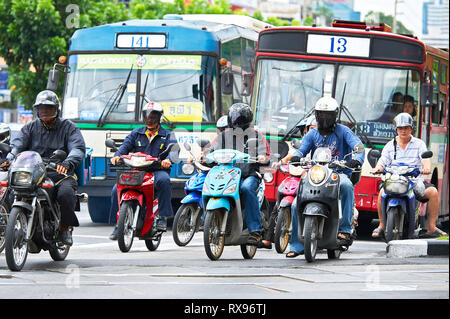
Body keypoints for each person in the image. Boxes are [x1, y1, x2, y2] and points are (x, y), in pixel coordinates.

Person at [1, 90, 86, 246]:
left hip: (59, 172)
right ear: (36, 110)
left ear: (56, 110)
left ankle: (65, 228)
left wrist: (67, 162)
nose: (45, 111)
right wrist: (10, 158)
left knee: (65, 194)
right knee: (12, 191)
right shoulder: (30, 127)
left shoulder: (69, 128)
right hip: (33, 171)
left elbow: (77, 148)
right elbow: (17, 145)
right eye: (41, 108)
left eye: (49, 108)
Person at [286, 96, 365, 257]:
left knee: (347, 186)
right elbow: (302, 149)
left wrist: (356, 160)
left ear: (335, 115)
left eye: (328, 115)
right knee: (295, 205)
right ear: (316, 115)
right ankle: (296, 245)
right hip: (315, 174)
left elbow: (358, 147)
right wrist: (296, 157)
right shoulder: (312, 133)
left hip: (338, 173)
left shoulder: (344, 131)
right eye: (321, 114)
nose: (324, 118)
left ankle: (344, 229)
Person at [203, 103, 271, 247]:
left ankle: (255, 231)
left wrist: (262, 158)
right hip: (227, 175)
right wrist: (202, 157)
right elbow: (210, 152)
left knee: (246, 188)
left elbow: (265, 154)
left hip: (249, 175)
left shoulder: (256, 136)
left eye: (239, 120)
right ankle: (210, 219)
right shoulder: (223, 136)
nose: (236, 123)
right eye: (234, 119)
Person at [371, 112, 447, 239]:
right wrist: (377, 169)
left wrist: (426, 168)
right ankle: (382, 225)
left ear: (411, 129)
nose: (403, 131)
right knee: (381, 193)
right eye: (400, 128)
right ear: (396, 130)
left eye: (406, 128)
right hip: (393, 180)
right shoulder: (390, 145)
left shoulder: (419, 144)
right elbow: (382, 161)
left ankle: (432, 227)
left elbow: (425, 159)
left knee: (433, 192)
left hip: (413, 181)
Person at [109, 102, 178, 240]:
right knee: (116, 188)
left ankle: (162, 217)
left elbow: (175, 150)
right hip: (137, 172)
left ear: (159, 118)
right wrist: (117, 156)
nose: (150, 119)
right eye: (147, 116)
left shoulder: (168, 134)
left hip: (156, 171)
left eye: (153, 116)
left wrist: (169, 160)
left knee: (164, 180)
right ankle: (118, 224)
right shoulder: (136, 133)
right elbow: (125, 146)